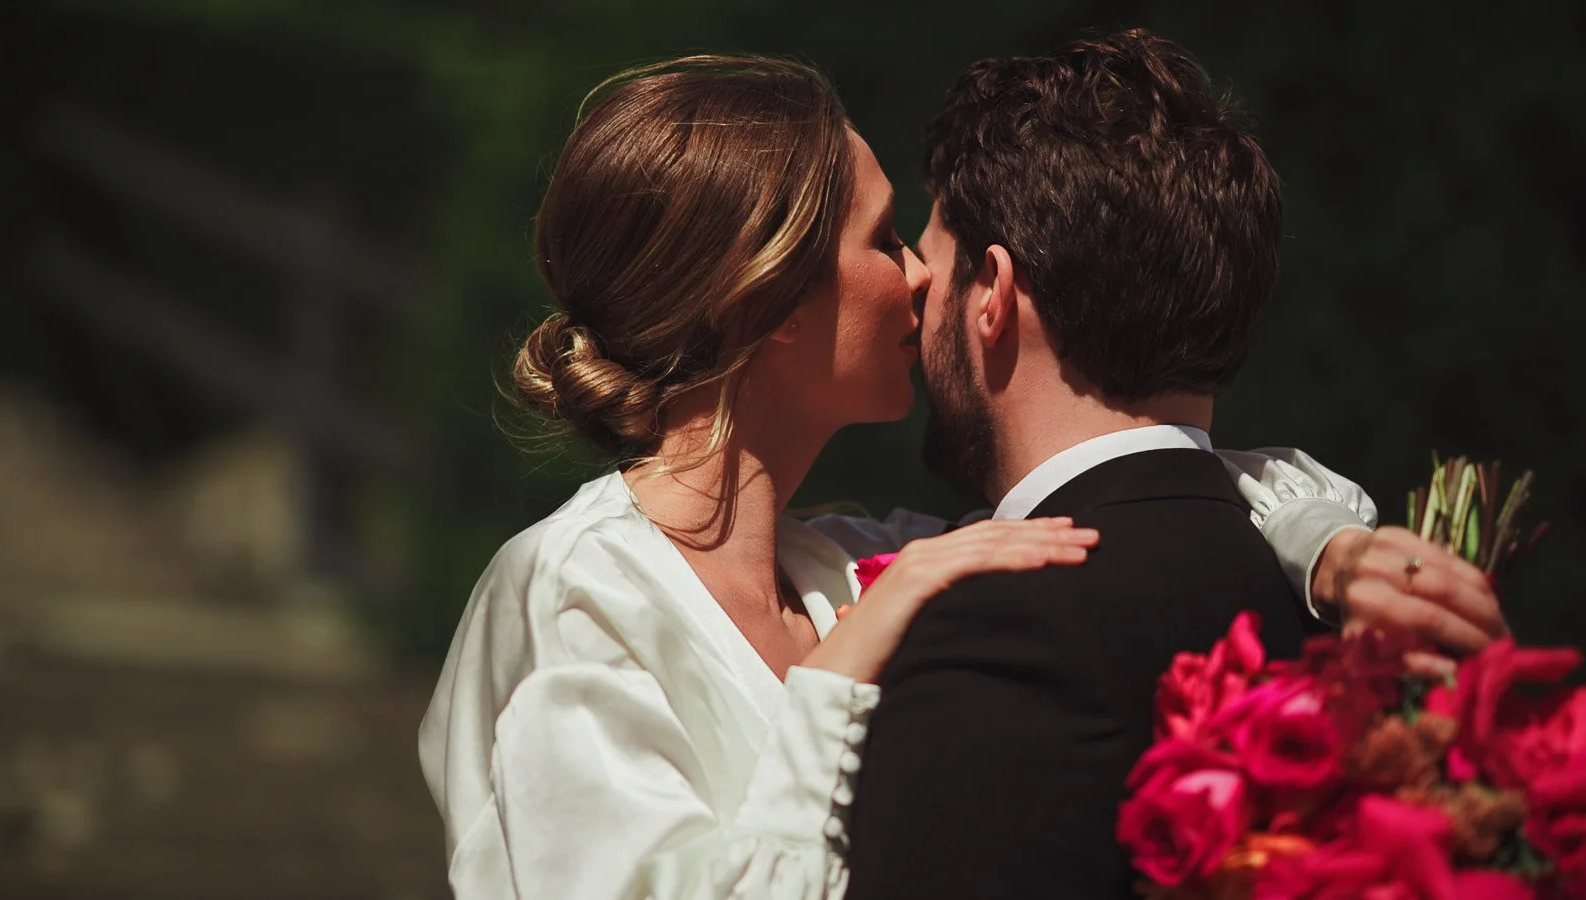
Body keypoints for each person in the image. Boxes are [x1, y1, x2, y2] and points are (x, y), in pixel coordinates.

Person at [418, 55, 1502, 900]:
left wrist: (1328, 545)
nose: (923, 274)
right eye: (883, 238)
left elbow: (1135, 481)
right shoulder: (570, 589)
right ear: (763, 301)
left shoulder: (845, 561)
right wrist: (836, 676)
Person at [841, 30, 1507, 900]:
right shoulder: (1332, 615)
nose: (918, 289)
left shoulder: (998, 634)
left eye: (934, 258)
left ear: (994, 295)